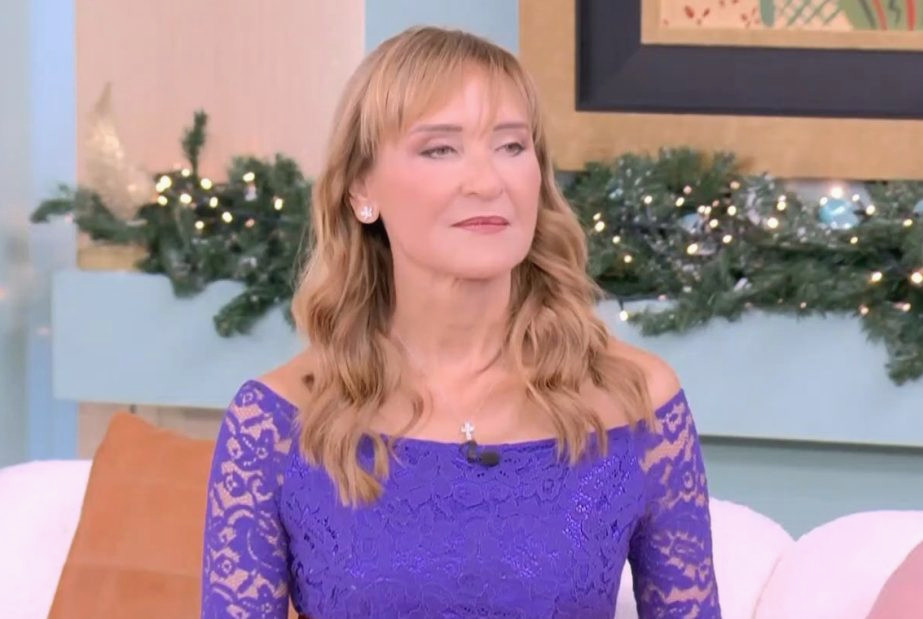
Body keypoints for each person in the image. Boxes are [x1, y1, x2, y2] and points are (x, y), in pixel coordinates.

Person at [200, 25, 720, 618]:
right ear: (361, 189)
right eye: (440, 149)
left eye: (511, 146)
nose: (488, 181)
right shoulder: (273, 423)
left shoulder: (638, 400)